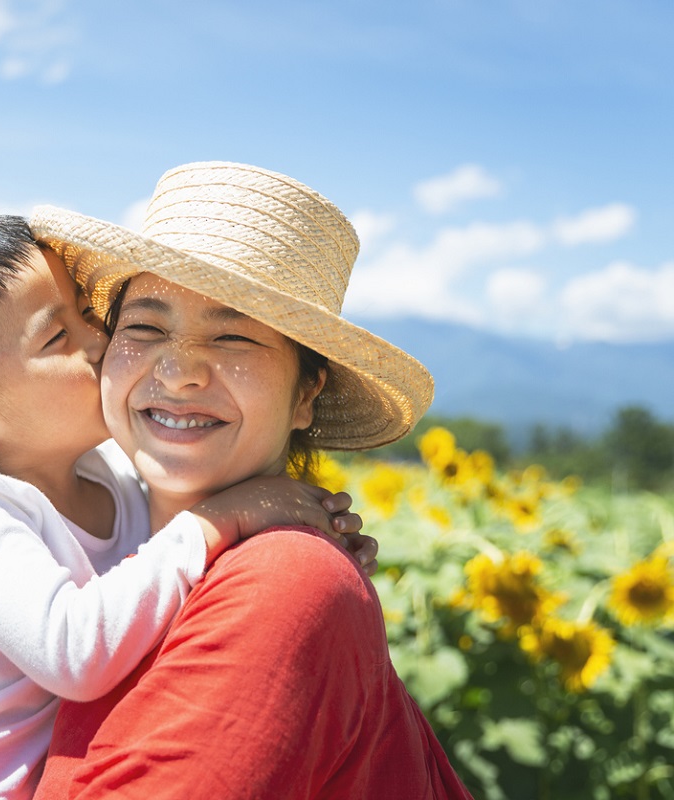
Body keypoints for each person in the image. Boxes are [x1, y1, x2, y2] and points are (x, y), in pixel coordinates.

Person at [0, 215, 375, 800]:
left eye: (89, 316)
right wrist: (224, 517)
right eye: (59, 337)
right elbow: (74, 652)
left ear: (307, 392)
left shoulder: (114, 475)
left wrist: (311, 528)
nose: (101, 343)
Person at [29, 161, 474, 798]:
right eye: (146, 328)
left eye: (234, 336)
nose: (179, 371)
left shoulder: (284, 582)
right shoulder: (95, 549)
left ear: (306, 395)